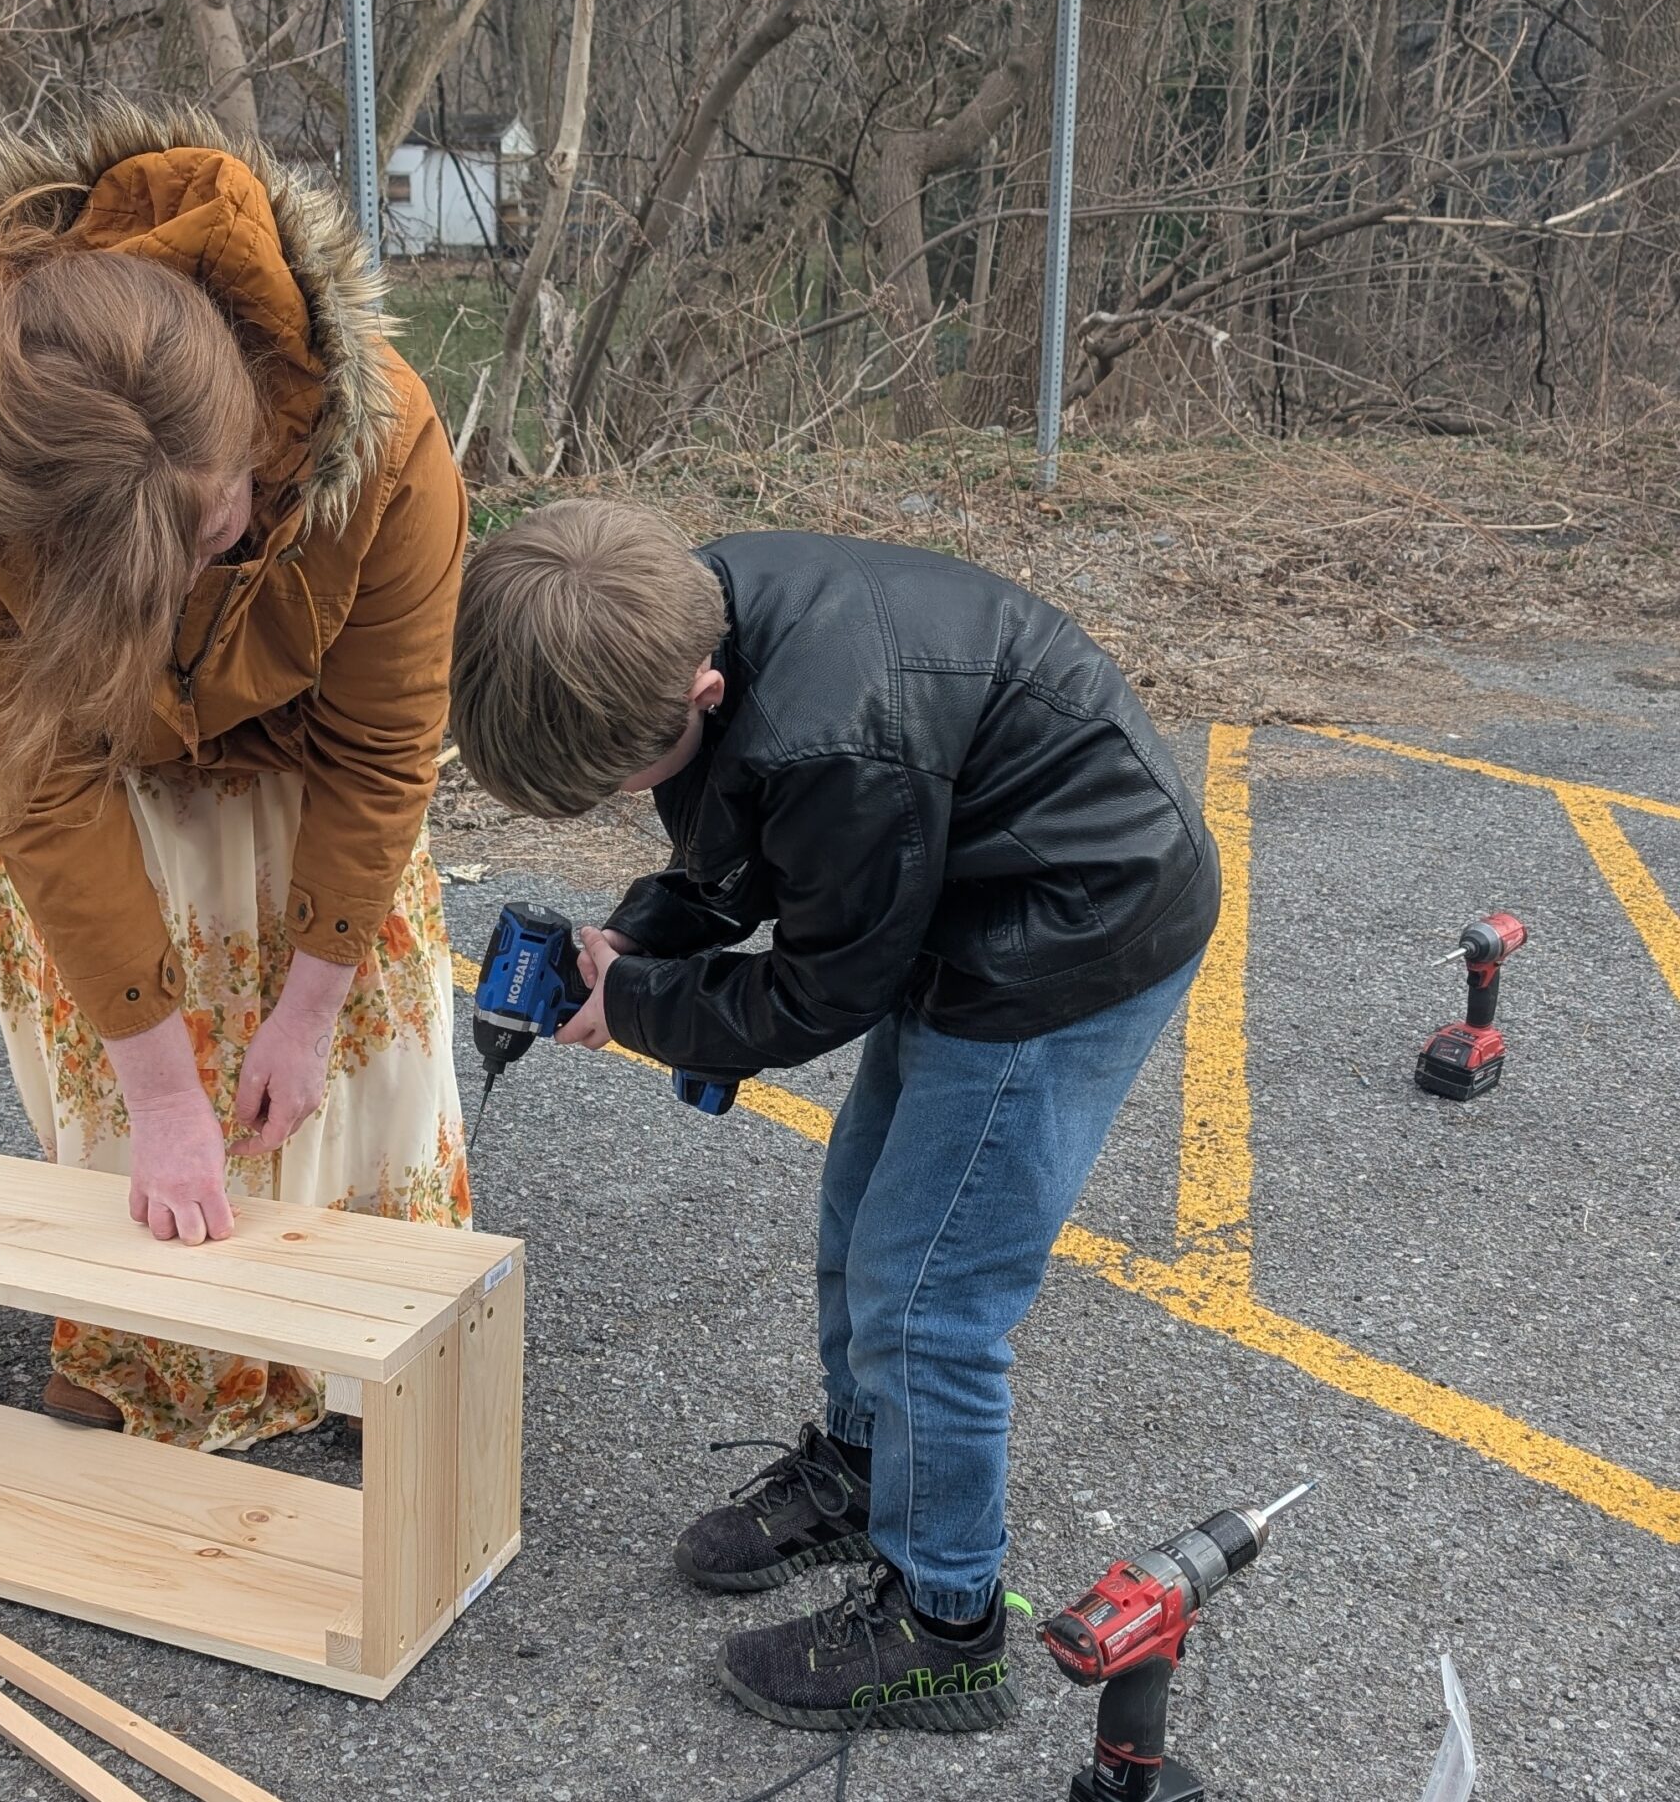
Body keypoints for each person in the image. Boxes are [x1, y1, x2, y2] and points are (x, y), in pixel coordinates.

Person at [448, 501, 1220, 1732]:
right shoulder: (687, 609)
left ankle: (945, 1624)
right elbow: (751, 846)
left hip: (1072, 928)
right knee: (860, 1206)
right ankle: (866, 1469)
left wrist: (640, 1007)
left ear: (700, 689)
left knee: (927, 1290)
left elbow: (825, 986)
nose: (620, 798)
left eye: (618, 778)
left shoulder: (833, 736)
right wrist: (644, 935)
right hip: (957, 884)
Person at [0, 104, 471, 1451]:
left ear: (254, 433)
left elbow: (384, 741)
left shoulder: (384, 436)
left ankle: (366, 1340)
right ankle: (165, 1353)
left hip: (308, 756)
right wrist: (164, 1092)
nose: (173, 593)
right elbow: (33, 786)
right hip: (93, 763)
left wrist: (310, 1004)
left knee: (356, 1049)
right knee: (145, 1084)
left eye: (206, 537)